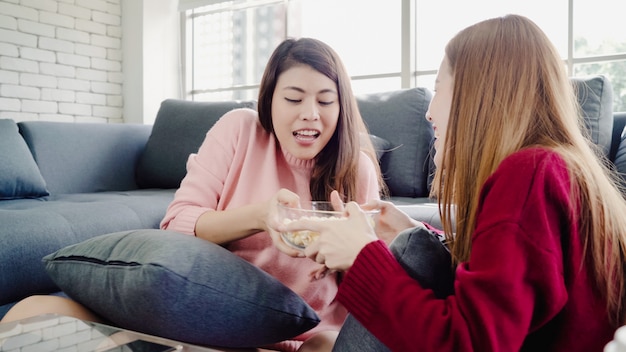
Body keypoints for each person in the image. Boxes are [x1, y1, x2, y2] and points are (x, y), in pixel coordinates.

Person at [0, 37, 385, 352]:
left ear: (341, 106)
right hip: (218, 319)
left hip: (312, 332)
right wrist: (260, 217)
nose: (310, 114)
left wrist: (347, 254)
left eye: (324, 100)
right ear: (269, 99)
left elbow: (361, 287)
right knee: (35, 308)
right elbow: (178, 222)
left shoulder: (357, 169)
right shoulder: (240, 130)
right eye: (293, 98)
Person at [282, 14, 626, 351]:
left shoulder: (528, 173)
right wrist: (411, 232)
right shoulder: (558, 166)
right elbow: (501, 281)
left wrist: (362, 258)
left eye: (438, 88)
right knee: (411, 246)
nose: (429, 111)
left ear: (477, 94)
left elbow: (468, 342)